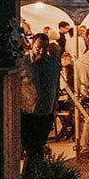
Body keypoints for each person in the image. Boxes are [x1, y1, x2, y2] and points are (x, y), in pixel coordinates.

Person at [19, 32, 61, 165]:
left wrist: (54, 110)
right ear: (32, 45)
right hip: (27, 114)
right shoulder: (22, 63)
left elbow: (56, 85)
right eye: (38, 48)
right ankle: (34, 177)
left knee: (38, 149)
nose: (42, 51)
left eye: (45, 48)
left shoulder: (53, 63)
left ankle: (32, 178)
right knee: (32, 149)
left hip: (45, 113)